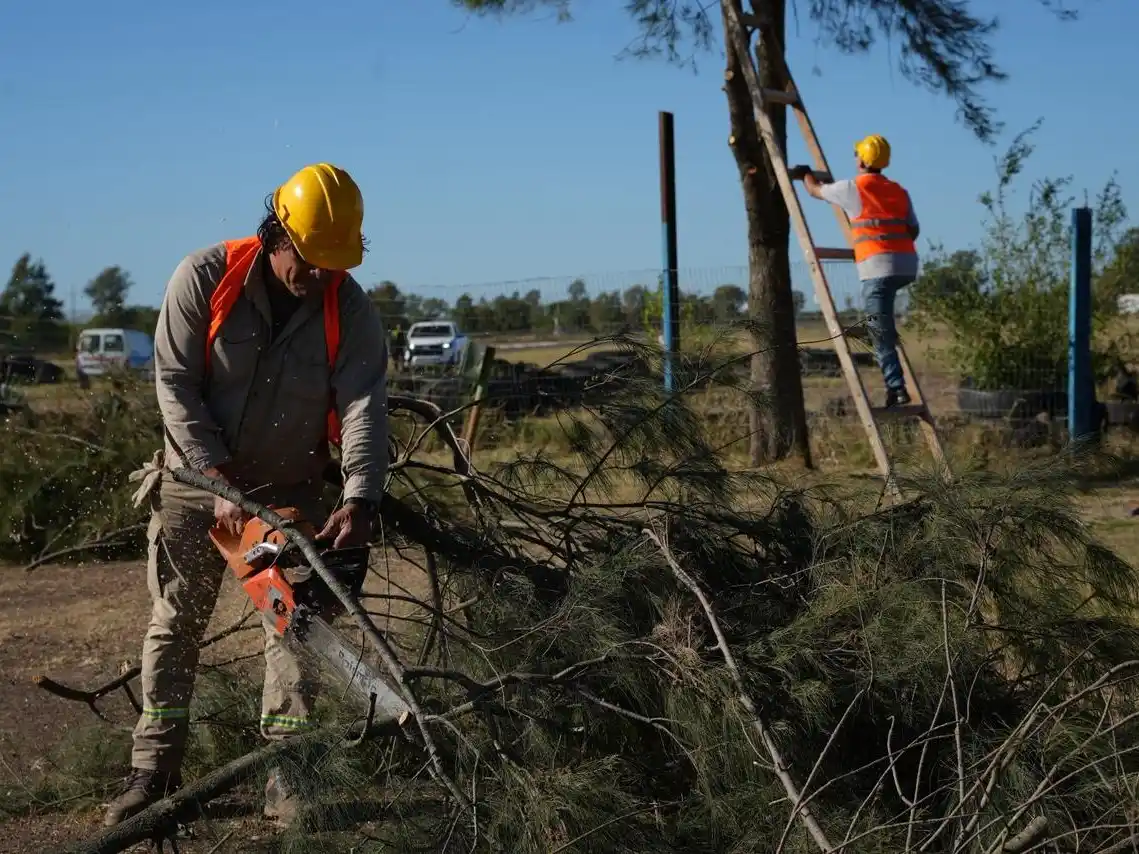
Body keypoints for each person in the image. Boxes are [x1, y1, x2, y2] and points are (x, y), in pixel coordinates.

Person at [105, 163, 390, 829]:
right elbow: (174, 386)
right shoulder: (204, 279)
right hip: (195, 489)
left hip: (285, 499)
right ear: (276, 233)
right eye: (312, 261)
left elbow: (363, 407)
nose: (322, 275)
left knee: (292, 625)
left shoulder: (348, 306)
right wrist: (215, 478)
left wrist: (359, 498)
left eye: (335, 263)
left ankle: (289, 780)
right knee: (177, 622)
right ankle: (154, 767)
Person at [790, 134, 920, 408]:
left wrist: (805, 176)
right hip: (906, 265)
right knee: (882, 323)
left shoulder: (853, 189)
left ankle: (896, 389)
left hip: (877, 268)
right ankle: (892, 365)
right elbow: (913, 229)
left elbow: (815, 191)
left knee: (878, 331)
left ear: (861, 159)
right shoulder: (898, 190)